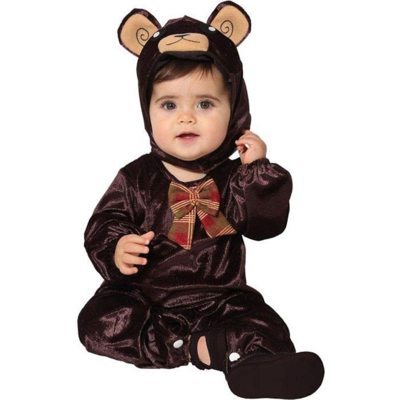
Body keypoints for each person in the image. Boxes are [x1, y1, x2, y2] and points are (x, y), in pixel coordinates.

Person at [78, 2, 324, 398]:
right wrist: (118, 247)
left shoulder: (235, 177)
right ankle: (197, 348)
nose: (186, 117)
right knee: (100, 321)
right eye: (169, 104)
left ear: (235, 110)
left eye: (205, 104)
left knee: (263, 323)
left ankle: (256, 363)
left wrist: (257, 173)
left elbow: (265, 224)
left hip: (221, 298)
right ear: (147, 109)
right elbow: (104, 224)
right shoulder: (136, 178)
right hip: (147, 298)